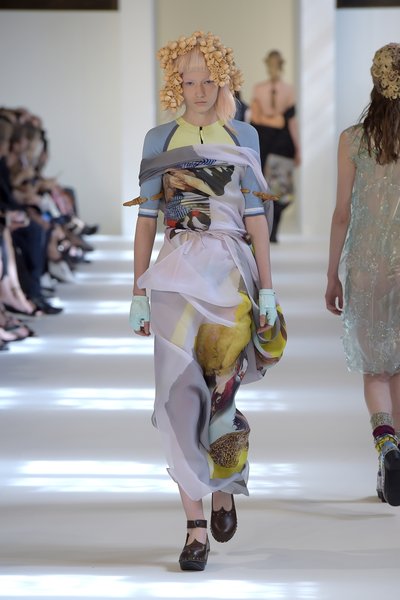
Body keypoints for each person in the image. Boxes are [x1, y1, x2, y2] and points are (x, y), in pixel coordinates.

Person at [126, 31, 286, 571]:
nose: (198, 90)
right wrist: (138, 292)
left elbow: (256, 217)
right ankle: (195, 526)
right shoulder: (158, 138)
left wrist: (268, 289)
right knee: (177, 400)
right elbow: (147, 219)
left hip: (231, 276)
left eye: (207, 80)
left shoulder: (243, 134)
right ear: (176, 83)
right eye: (188, 81)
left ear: (223, 80)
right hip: (175, 275)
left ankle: (223, 486)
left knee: (221, 397)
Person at [325, 43, 400, 507]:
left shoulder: (353, 140)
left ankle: (386, 446)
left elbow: (342, 213)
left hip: (369, 265)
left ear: (375, 83)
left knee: (377, 368)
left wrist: (331, 274)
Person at [250, 50, 301, 242]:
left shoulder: (285, 89)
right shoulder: (261, 88)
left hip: (277, 141)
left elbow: (290, 121)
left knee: (278, 186)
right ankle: (268, 230)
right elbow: (258, 117)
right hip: (268, 140)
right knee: (267, 184)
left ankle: (272, 230)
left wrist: (297, 147)